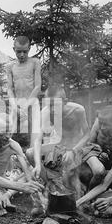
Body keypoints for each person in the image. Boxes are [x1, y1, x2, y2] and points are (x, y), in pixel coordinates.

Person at [26, 84, 90, 216]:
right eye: (49, 104)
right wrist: (38, 164)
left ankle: (77, 201)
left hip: (76, 147)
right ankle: (53, 183)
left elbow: (87, 135)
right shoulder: (45, 112)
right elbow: (38, 139)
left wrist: (73, 150)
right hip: (58, 146)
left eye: (55, 104)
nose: (52, 109)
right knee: (30, 153)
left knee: (69, 171)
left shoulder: (78, 110)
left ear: (64, 101)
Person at [0, 113, 35, 214]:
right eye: (3, 133)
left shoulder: (13, 145)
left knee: (31, 170)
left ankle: (6, 196)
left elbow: (27, 172)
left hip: (2, 182)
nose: (7, 137)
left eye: (10, 133)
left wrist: (8, 193)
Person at [7, 36, 41, 149]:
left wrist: (26, 106)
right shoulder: (10, 66)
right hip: (17, 104)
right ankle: (12, 158)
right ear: (13, 49)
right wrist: (14, 106)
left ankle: (33, 158)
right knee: (10, 132)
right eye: (18, 51)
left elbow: (37, 86)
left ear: (29, 49)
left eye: (25, 51)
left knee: (35, 132)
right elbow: (9, 89)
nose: (22, 55)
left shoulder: (35, 63)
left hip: (32, 103)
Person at [79, 105, 112, 191]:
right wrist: (100, 153)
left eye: (105, 124)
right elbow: (89, 144)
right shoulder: (98, 123)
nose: (101, 127)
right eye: (100, 123)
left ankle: (110, 200)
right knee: (97, 172)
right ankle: (88, 195)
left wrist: (111, 172)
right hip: (96, 157)